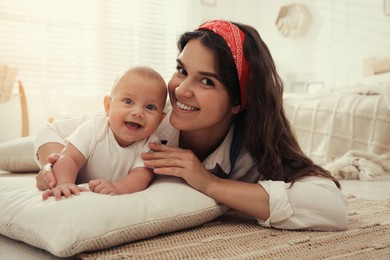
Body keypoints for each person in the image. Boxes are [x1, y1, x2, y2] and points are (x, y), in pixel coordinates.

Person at [35, 20, 348, 230]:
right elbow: (55, 132)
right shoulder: (153, 117)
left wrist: (208, 183)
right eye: (181, 70)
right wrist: (52, 165)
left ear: (239, 102)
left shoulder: (252, 149)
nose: (181, 90)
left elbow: (331, 206)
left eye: (207, 81)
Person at [40, 66, 167, 200]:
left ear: (160, 119)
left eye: (150, 107)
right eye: (128, 101)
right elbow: (69, 157)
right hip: (79, 183)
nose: (138, 113)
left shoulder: (151, 144)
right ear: (108, 106)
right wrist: (64, 183)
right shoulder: (94, 128)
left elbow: (141, 175)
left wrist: (118, 188)